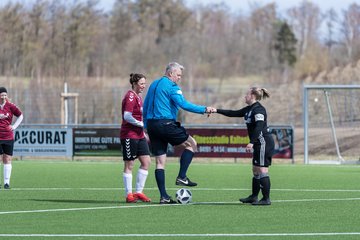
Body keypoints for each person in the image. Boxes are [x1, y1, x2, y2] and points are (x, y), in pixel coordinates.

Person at [143, 62, 213, 204]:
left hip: (152, 125)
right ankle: (182, 177)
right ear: (170, 73)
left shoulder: (154, 84)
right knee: (192, 144)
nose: (180, 78)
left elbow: (145, 106)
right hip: (166, 123)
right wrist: (204, 109)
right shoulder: (172, 86)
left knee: (160, 162)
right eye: (178, 75)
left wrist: (145, 126)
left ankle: (164, 197)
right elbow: (184, 104)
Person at [211, 87, 274, 205]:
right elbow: (233, 113)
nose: (245, 96)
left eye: (247, 94)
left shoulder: (259, 110)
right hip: (258, 142)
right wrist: (216, 110)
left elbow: (259, 126)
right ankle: (254, 197)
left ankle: (266, 199)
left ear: (253, 96)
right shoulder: (249, 109)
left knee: (262, 169)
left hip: (263, 142)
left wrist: (251, 142)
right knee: (255, 170)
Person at [120, 73, 151, 203]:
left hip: (139, 135)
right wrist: (140, 124)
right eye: (141, 84)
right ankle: (129, 194)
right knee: (130, 164)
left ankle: (138, 192)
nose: (144, 86)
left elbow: (139, 116)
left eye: (144, 83)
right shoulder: (130, 96)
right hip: (129, 135)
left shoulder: (138, 97)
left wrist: (143, 132)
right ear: (134, 84)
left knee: (146, 162)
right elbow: (127, 116)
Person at [0, 87, 23, 189]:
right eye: (1, 95)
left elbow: (21, 116)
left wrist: (13, 127)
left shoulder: (11, 106)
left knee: (7, 158)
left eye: (5, 95)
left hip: (8, 137)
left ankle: (6, 183)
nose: (3, 97)